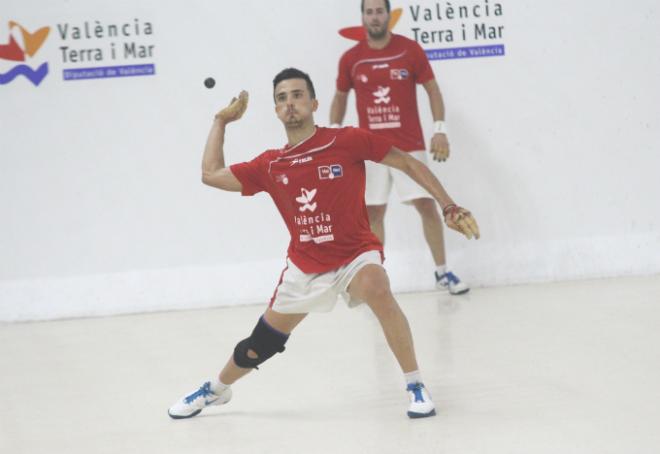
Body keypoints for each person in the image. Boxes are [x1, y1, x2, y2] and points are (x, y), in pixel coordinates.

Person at [167, 68, 479, 420]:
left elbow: (406, 162)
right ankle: (217, 389)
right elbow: (211, 174)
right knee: (261, 345)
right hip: (305, 266)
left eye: (297, 95)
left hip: (355, 253)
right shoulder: (270, 164)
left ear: (314, 103)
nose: (290, 104)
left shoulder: (346, 140)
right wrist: (220, 122)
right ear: (276, 110)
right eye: (282, 98)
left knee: (377, 286)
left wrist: (448, 205)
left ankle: (415, 384)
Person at [330, 0, 470, 294]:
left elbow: (432, 88)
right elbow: (340, 97)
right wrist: (332, 138)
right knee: (373, 213)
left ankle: (442, 273)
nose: (375, 17)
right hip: (369, 150)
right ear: (363, 17)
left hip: (409, 146)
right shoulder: (351, 58)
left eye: (380, 11)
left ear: (389, 15)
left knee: (426, 205)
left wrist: (440, 130)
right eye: (369, 12)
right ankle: (374, 280)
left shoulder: (409, 50)